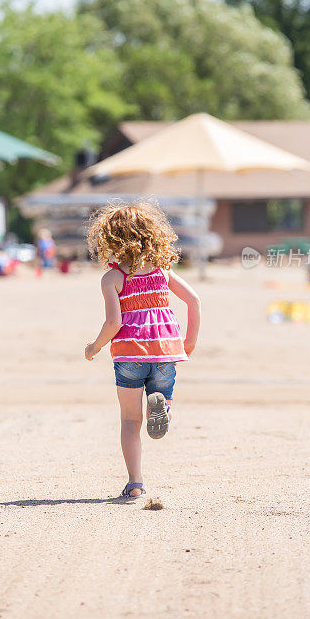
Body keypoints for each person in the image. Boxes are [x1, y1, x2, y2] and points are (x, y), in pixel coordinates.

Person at [84, 202, 201, 499]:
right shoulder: (163, 271)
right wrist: (188, 342)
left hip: (129, 354)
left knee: (128, 420)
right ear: (152, 235)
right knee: (160, 404)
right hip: (164, 351)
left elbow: (114, 321)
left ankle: (135, 483)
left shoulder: (112, 279)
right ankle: (161, 408)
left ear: (110, 239)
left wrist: (95, 346)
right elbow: (194, 301)